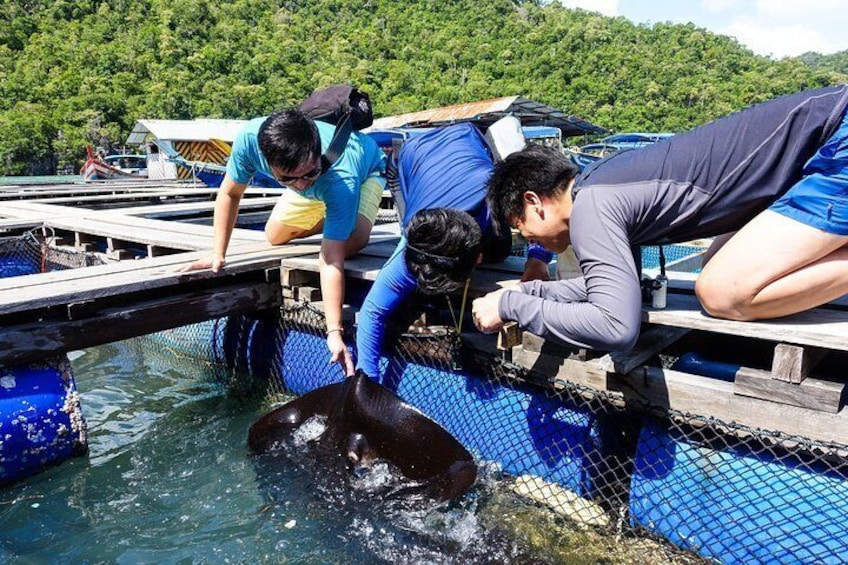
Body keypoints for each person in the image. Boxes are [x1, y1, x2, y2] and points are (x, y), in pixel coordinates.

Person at [472, 84, 848, 352]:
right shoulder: (598, 186)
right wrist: (531, 290)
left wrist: (510, 306)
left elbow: (616, 327)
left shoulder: (592, 205)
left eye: (522, 228)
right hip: (825, 146)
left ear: (534, 201)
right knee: (714, 264)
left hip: (838, 140)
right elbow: (613, 290)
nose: (530, 242)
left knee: (722, 292)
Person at [180, 108, 386, 375]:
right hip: (322, 185)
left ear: (315, 151)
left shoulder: (340, 177)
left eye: (306, 173)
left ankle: (339, 218)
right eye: (287, 178)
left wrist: (333, 331)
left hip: (365, 173)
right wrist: (217, 252)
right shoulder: (250, 141)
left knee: (354, 241)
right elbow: (230, 194)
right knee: (274, 236)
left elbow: (331, 260)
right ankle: (335, 218)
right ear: (267, 161)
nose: (299, 184)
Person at [355, 123, 553, 377]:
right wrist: (366, 380)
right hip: (409, 156)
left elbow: (541, 207)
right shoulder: (416, 242)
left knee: (501, 250)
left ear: (477, 257)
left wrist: (538, 259)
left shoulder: (496, 197)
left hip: (465, 137)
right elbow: (373, 311)